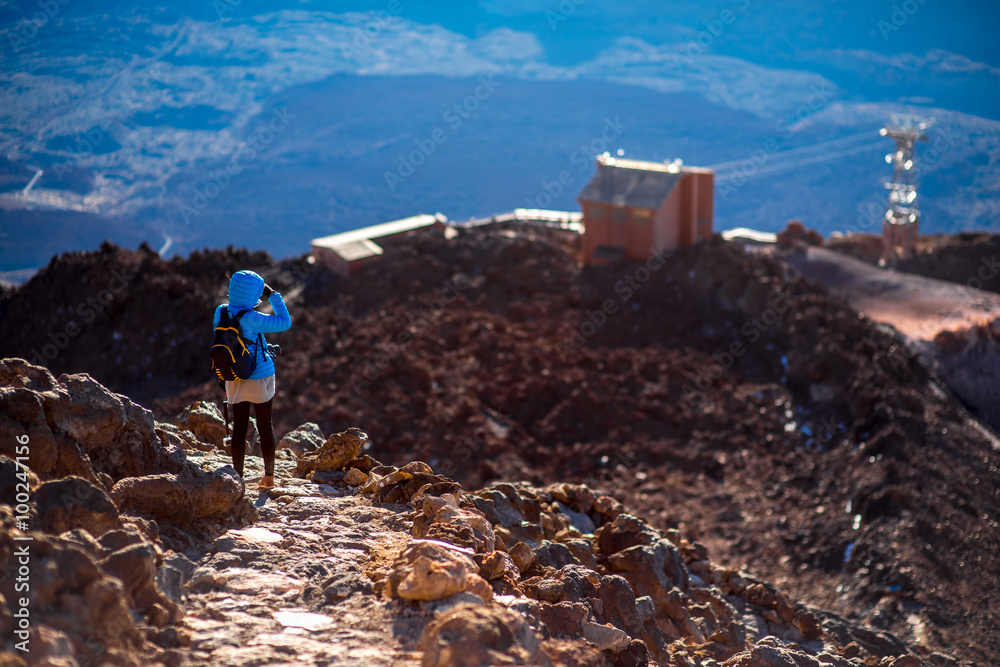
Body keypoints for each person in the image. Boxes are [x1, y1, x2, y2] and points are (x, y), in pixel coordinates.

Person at [213, 270, 291, 489]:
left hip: (233, 377)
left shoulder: (220, 312)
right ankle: (268, 478)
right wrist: (272, 294)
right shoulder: (253, 317)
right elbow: (285, 322)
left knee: (239, 428)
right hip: (260, 376)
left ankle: (238, 478)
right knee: (265, 427)